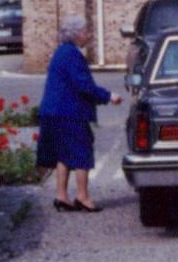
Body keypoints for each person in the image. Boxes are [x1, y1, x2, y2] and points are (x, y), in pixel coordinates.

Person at [36, 15, 122, 212]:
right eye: (85, 31)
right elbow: (84, 86)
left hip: (54, 112)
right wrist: (109, 96)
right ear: (75, 34)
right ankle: (82, 197)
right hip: (69, 112)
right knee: (82, 151)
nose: (88, 35)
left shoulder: (61, 51)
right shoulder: (72, 55)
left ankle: (61, 196)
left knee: (63, 154)